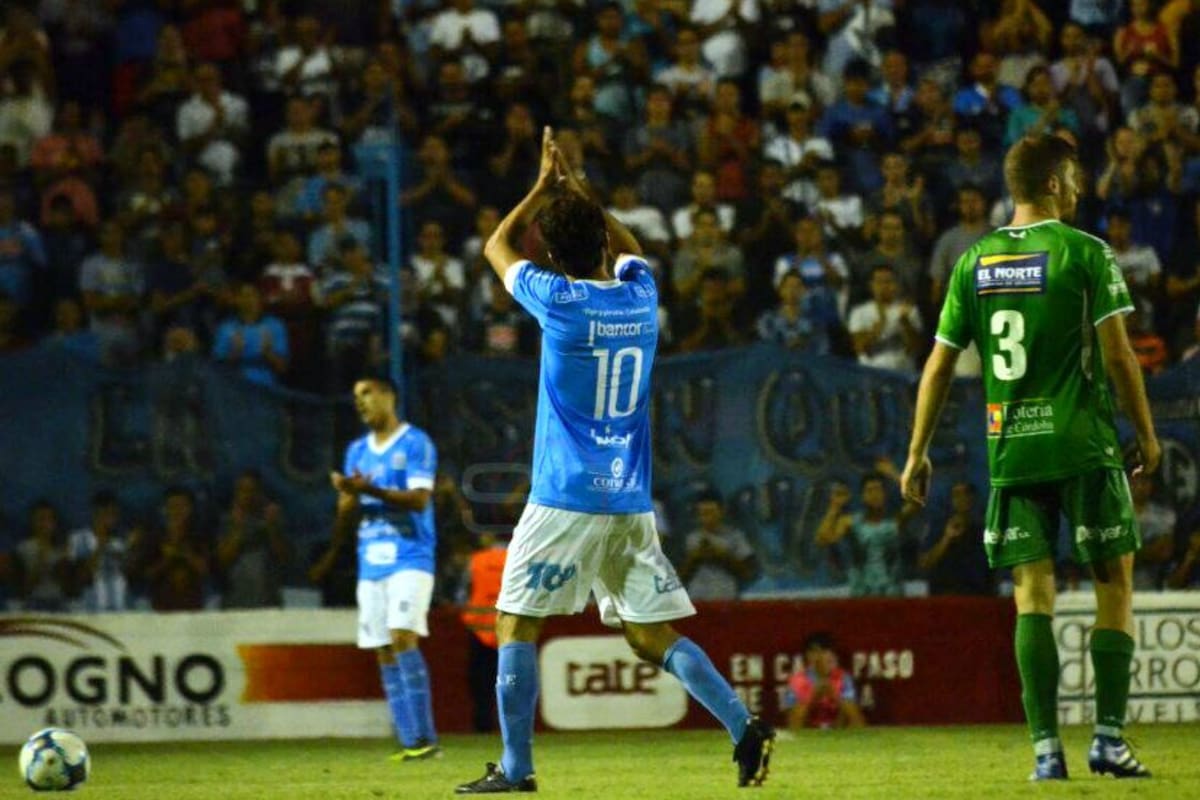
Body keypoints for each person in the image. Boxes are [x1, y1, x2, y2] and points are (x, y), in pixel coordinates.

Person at [456, 127, 774, 793]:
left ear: (553, 255)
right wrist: (582, 191)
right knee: (648, 635)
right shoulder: (640, 296)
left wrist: (543, 187)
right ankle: (743, 725)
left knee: (515, 621)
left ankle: (516, 771)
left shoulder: (559, 303)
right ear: (602, 241)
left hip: (564, 497)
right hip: (630, 501)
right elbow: (632, 250)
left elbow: (496, 246)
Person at [900, 134, 1160, 780]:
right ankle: (1107, 739)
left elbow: (937, 366)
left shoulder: (975, 261)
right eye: (1072, 179)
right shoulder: (1084, 253)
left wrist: (916, 453)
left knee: (1031, 596)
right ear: (1052, 184)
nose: (1078, 191)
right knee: (1114, 584)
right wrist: (1148, 435)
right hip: (1084, 445)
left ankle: (1046, 750)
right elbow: (1121, 356)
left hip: (1012, 449)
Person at [331, 375, 440, 761]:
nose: (360, 402)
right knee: (382, 649)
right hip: (370, 559)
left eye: (366, 393)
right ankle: (411, 743)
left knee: (401, 636)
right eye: (355, 396)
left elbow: (419, 501)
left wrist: (367, 491)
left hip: (411, 555)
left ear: (388, 395)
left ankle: (427, 740)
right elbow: (349, 514)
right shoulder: (356, 451)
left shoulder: (415, 443)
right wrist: (346, 498)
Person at [460, 533, 508, 732]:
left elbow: (461, 593)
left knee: (481, 683)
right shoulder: (521, 557)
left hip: (479, 631)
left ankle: (483, 726)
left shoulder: (476, 560)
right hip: (511, 631)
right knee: (511, 680)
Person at [677, 489, 757, 601]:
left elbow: (748, 573)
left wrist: (723, 556)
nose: (706, 518)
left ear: (721, 511)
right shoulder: (689, 539)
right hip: (697, 602)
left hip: (727, 602)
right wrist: (694, 558)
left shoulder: (735, 537)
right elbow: (678, 578)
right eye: (702, 513)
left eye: (711, 512)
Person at [783, 632, 865, 730]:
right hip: (808, 734)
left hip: (838, 733)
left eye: (824, 651)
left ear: (833, 655)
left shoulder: (844, 678)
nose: (820, 656)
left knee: (848, 708)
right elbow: (792, 723)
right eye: (814, 652)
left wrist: (834, 694)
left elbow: (858, 721)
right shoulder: (796, 681)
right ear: (807, 655)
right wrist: (813, 696)